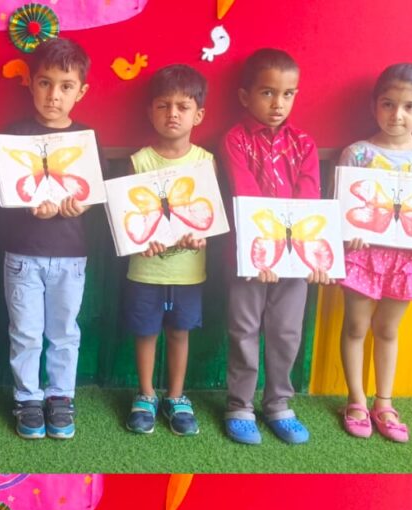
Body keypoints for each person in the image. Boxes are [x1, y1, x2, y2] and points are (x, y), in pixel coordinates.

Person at [221, 49, 329, 446]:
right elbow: (244, 194)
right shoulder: (235, 140)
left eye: (288, 94)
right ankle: (240, 405)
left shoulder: (304, 144)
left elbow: (309, 201)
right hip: (250, 258)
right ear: (245, 96)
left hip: (295, 259)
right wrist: (258, 253)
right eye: (268, 93)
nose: (278, 104)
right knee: (244, 329)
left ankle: (279, 403)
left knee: (286, 331)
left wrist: (314, 257)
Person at [337, 64, 412, 443]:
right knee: (355, 326)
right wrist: (347, 234)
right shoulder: (357, 153)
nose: (397, 115)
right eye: (388, 104)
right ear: (374, 106)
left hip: (408, 258)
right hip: (363, 256)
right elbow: (343, 210)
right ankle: (356, 399)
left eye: (409, 107)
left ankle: (383, 402)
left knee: (387, 328)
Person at [0, 36, 95, 440]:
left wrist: (79, 205)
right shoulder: (13, 136)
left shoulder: (87, 138)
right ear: (31, 83)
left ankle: (60, 397)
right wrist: (26, 203)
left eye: (66, 86)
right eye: (45, 83)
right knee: (26, 331)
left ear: (80, 92)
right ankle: (28, 397)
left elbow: (92, 190)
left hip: (71, 256)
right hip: (23, 254)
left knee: (65, 330)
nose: (54, 95)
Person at [123, 64, 213, 437]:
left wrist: (201, 236)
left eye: (182, 106)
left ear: (199, 114)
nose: (172, 114)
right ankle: (145, 395)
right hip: (146, 269)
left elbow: (208, 215)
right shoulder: (139, 161)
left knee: (180, 332)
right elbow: (131, 217)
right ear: (150, 112)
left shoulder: (205, 162)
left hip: (189, 271)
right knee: (146, 332)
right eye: (163, 105)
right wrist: (143, 240)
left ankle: (176, 396)